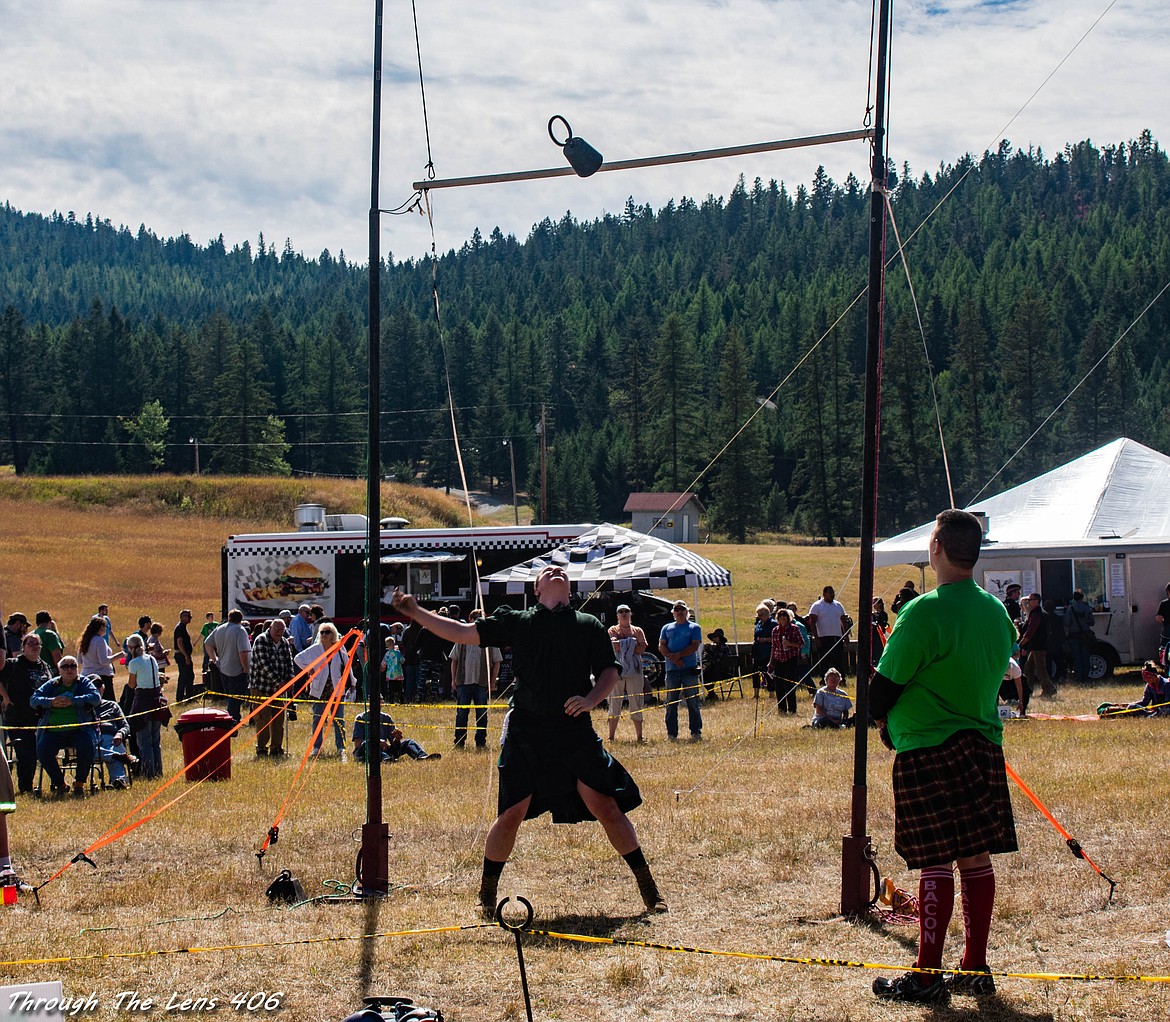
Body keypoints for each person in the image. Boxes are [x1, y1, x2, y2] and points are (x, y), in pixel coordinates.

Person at [391, 565, 667, 918]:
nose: (555, 570)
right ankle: (487, 896)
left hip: (573, 730)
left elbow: (610, 670)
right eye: (547, 572)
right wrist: (416, 612)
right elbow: (460, 632)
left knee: (607, 807)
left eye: (561, 572)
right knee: (511, 814)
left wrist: (591, 700)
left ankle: (650, 892)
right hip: (527, 732)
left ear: (569, 591)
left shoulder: (588, 625)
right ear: (537, 591)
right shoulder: (518, 620)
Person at [869, 509, 1018, 1003]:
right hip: (983, 745)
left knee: (934, 860)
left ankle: (928, 974)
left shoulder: (924, 611)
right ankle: (974, 966)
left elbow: (884, 686)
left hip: (929, 747)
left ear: (936, 548)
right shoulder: (996, 611)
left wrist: (878, 718)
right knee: (975, 856)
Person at [31, 655, 102, 797]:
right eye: (65, 666)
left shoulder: (84, 683)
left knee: (86, 746)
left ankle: (79, 784)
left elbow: (95, 698)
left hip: (80, 730)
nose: (69, 669)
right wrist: (50, 702)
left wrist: (73, 701)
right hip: (54, 732)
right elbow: (33, 700)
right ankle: (61, 784)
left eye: (73, 666)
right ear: (59, 670)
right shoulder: (52, 685)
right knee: (42, 749)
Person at [1, 633, 53, 794]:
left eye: (37, 644)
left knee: (40, 752)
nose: (34, 646)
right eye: (30, 643)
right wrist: (5, 697)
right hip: (18, 717)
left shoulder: (43, 665)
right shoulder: (13, 664)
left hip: (41, 717)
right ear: (23, 646)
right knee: (26, 752)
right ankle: (25, 788)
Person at [294, 621, 351, 757]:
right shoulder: (315, 649)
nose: (324, 635)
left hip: (337, 690)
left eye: (327, 632)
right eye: (322, 632)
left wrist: (352, 683)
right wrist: (310, 668)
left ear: (333, 634)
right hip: (319, 690)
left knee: (338, 719)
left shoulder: (339, 648)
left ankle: (341, 748)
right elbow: (298, 658)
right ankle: (316, 747)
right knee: (317, 720)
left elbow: (347, 666)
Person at [450, 610, 501, 750]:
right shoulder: (462, 638)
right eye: (476, 618)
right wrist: (453, 679)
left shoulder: (490, 640)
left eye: (481, 618)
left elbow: (497, 662)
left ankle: (481, 742)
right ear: (470, 620)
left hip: (481, 684)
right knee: (461, 715)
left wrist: (492, 683)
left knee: (482, 715)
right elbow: (454, 660)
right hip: (463, 683)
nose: (478, 621)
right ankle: (459, 742)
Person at [249, 618, 296, 758]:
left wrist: (290, 680)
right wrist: (279, 682)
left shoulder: (284, 642)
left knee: (278, 720)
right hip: (261, 687)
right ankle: (262, 749)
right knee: (262, 719)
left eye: (282, 630)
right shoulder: (261, 640)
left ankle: (276, 748)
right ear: (270, 628)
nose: (279, 633)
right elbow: (265, 665)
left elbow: (289, 662)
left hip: (279, 690)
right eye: (276, 630)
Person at [659, 600, 703, 741]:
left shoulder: (694, 627)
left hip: (689, 669)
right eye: (676, 610)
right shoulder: (666, 628)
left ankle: (695, 731)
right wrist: (674, 659)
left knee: (692, 702)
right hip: (672, 670)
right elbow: (661, 645)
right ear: (673, 613)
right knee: (671, 703)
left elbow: (695, 646)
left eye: (682, 610)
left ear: (686, 612)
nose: (679, 612)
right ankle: (671, 733)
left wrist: (678, 655)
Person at [125, 633, 165, 779]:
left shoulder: (134, 663)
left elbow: (131, 684)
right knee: (155, 741)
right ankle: (158, 772)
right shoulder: (152, 659)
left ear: (130, 648)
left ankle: (148, 773)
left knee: (144, 741)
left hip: (143, 701)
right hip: (157, 699)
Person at [607, 605, 648, 742]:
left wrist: (624, 644)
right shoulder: (612, 630)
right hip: (617, 670)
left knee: (636, 701)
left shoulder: (638, 630)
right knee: (614, 702)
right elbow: (614, 646)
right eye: (621, 612)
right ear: (617, 615)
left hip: (634, 671)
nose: (624, 614)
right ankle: (611, 736)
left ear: (631, 614)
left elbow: (642, 649)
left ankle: (639, 737)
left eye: (626, 611)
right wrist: (631, 643)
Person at [204, 610, 251, 722]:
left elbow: (207, 643)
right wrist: (246, 667)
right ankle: (232, 720)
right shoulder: (240, 630)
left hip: (223, 668)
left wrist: (214, 659)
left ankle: (232, 718)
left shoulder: (219, 629)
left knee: (229, 696)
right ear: (240, 619)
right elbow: (243, 651)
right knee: (236, 698)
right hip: (237, 669)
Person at [351, 709, 438, 762]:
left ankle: (421, 756)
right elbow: (358, 744)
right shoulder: (360, 718)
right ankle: (386, 759)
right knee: (367, 744)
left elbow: (393, 744)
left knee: (408, 742)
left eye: (380, 701)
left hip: (383, 750)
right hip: (364, 753)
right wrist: (377, 742)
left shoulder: (386, 718)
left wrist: (397, 738)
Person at [807, 585, 851, 679]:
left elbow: (843, 621)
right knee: (824, 660)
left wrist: (846, 636)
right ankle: (824, 679)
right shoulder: (817, 606)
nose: (832, 594)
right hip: (823, 637)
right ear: (824, 594)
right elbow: (812, 623)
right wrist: (817, 638)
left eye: (833, 592)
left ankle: (841, 679)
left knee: (838, 660)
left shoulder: (838, 605)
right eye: (830, 593)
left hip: (837, 637)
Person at [1018, 593, 1057, 698]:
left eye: (1030, 600)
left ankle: (1049, 689)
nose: (1028, 602)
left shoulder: (1037, 614)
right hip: (1036, 646)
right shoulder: (1035, 613)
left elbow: (1030, 631)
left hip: (1039, 646)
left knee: (1040, 669)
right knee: (1028, 668)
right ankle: (1029, 689)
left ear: (1037, 601)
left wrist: (1021, 644)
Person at [95, 696, 136, 789]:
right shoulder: (83, 707)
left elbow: (125, 726)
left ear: (103, 688)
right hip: (92, 739)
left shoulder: (112, 705)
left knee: (116, 746)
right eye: (94, 686)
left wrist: (120, 734)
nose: (97, 689)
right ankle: (119, 757)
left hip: (111, 738)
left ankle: (119, 782)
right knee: (87, 749)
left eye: (99, 685)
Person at [768, 608, 803, 714]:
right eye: (780, 616)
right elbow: (773, 647)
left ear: (788, 618)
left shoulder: (794, 629)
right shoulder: (775, 630)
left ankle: (792, 708)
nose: (783, 618)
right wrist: (771, 662)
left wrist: (789, 644)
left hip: (790, 659)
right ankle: (781, 709)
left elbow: (801, 643)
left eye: (785, 616)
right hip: (778, 659)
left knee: (789, 685)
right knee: (778, 685)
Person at [78, 615, 120, 701]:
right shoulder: (100, 640)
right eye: (106, 626)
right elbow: (104, 661)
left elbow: (80, 660)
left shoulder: (84, 640)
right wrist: (118, 656)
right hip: (102, 677)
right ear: (101, 627)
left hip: (86, 676)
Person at [1065, 589, 1095, 684]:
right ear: (1082, 597)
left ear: (1074, 598)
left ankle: (1078, 678)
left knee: (1076, 657)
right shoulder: (1088, 608)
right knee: (1085, 656)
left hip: (1073, 636)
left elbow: (1066, 622)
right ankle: (1086, 677)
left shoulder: (1071, 609)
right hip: (1085, 635)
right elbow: (1092, 622)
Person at [751, 603, 776, 698]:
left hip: (768, 652)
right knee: (755, 672)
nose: (759, 617)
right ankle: (756, 693)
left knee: (768, 673)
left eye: (760, 615)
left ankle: (771, 693)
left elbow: (776, 639)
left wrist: (765, 639)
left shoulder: (773, 624)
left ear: (767, 614)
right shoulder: (758, 623)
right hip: (757, 652)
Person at [173, 609, 195, 703]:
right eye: (187, 616)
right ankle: (180, 697)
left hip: (184, 655)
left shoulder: (183, 627)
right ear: (182, 617)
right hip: (182, 655)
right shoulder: (180, 628)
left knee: (189, 676)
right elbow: (179, 642)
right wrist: (186, 656)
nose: (190, 618)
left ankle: (188, 696)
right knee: (185, 676)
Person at [199, 612, 219, 693]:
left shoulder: (216, 624)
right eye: (210, 616)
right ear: (207, 618)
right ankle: (205, 668)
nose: (212, 617)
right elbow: (202, 634)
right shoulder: (206, 626)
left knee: (214, 655)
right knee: (206, 656)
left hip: (214, 643)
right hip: (207, 643)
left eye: (212, 616)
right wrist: (196, 642)